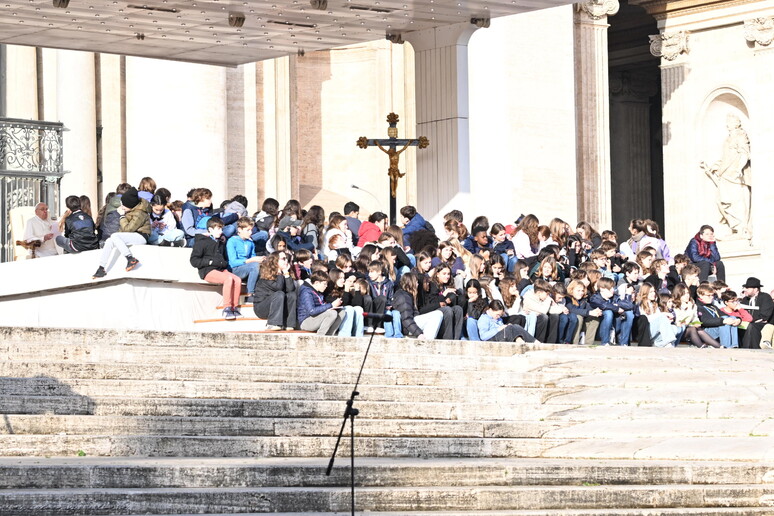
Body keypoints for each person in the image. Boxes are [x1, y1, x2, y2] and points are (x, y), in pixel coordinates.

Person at [189, 218, 241, 320]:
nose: (220, 231)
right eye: (218, 229)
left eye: (221, 229)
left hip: (221, 269)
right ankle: (227, 308)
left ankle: (234, 308)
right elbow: (194, 261)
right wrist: (210, 262)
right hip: (207, 270)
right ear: (210, 229)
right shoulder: (201, 242)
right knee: (228, 279)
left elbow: (224, 257)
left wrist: (224, 263)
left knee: (237, 280)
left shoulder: (221, 242)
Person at [252, 250, 297, 330]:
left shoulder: (285, 273)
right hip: (262, 307)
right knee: (279, 293)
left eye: (286, 259)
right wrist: (279, 272)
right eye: (283, 259)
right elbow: (278, 288)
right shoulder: (266, 275)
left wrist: (286, 273)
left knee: (292, 295)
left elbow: (290, 290)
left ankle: (289, 324)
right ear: (275, 261)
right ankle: (272, 323)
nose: (286, 261)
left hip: (278, 305)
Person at [392, 272, 444, 340]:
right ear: (411, 283)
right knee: (437, 314)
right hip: (407, 328)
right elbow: (406, 319)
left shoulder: (409, 295)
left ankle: (428, 339)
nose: (418, 284)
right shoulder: (404, 297)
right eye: (416, 282)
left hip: (411, 324)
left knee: (437, 314)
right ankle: (427, 341)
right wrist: (419, 333)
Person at [589, 277, 634, 346]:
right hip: (600, 328)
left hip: (614, 326)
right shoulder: (595, 297)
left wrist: (627, 295)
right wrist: (616, 308)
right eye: (610, 288)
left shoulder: (615, 297)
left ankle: (624, 343)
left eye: (613, 287)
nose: (613, 290)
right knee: (608, 312)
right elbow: (603, 305)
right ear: (602, 288)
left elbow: (630, 305)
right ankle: (605, 342)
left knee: (629, 314)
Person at [298, 270, 345, 335]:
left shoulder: (318, 292)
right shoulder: (307, 292)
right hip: (306, 321)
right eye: (324, 284)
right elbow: (312, 311)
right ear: (317, 283)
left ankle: (329, 335)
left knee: (342, 312)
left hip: (316, 318)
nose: (326, 286)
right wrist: (331, 305)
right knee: (332, 313)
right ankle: (320, 336)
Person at [227, 217, 263, 298]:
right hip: (235, 269)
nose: (250, 232)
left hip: (247, 267)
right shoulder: (232, 241)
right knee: (254, 266)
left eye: (251, 230)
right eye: (248, 230)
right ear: (240, 229)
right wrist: (249, 261)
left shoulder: (250, 242)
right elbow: (233, 262)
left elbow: (253, 258)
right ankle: (250, 293)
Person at [696, 284, 739, 348]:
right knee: (724, 322)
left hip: (716, 327)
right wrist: (722, 321)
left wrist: (737, 319)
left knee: (731, 318)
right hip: (705, 331)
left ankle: (734, 345)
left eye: (712, 295)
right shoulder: (698, 307)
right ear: (700, 295)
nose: (711, 297)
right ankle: (726, 346)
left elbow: (725, 315)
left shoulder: (713, 306)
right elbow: (704, 321)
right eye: (708, 295)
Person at [367, 261, 402, 338]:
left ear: (379, 272)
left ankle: (398, 335)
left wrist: (390, 305)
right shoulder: (370, 284)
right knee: (388, 314)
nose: (369, 274)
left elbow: (391, 297)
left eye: (372, 272)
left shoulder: (389, 283)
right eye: (369, 272)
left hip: (387, 307)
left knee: (396, 313)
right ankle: (389, 334)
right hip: (377, 309)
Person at [738, 277, 773, 349]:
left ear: (756, 289)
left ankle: (751, 349)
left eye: (748, 288)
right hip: (748, 322)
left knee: (752, 326)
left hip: (763, 324)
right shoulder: (745, 299)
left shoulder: (765, 297)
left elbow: (764, 316)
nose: (745, 290)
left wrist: (750, 320)